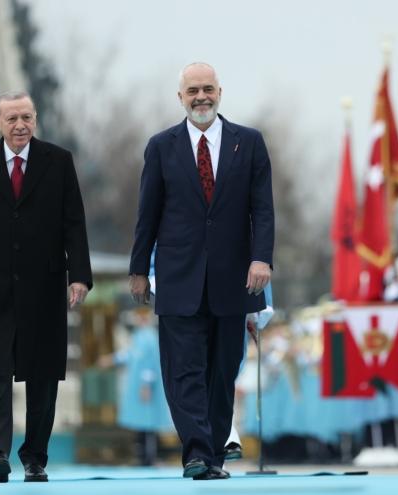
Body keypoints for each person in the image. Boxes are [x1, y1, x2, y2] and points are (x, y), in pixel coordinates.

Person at [129, 62, 274, 480]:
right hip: (178, 278)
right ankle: (195, 452)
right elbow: (147, 212)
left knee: (223, 369)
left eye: (207, 89)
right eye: (192, 91)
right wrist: (139, 268)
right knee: (184, 369)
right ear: (180, 98)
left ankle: (212, 452)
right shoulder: (161, 146)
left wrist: (262, 258)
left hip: (234, 278)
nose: (200, 97)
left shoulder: (248, 143)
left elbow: (262, 209)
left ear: (220, 92)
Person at [0, 91, 92, 483]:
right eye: (11, 118)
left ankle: (35, 457)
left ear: (35, 118)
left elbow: (74, 221)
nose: (20, 125)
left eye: (26, 117)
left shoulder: (58, 161)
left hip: (44, 284)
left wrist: (79, 274)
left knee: (43, 374)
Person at [99, 307, 173, 465]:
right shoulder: (139, 336)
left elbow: (151, 363)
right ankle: (142, 455)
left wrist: (146, 384)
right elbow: (130, 355)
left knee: (148, 423)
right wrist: (111, 360)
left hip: (146, 387)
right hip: (137, 385)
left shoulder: (151, 338)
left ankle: (149, 457)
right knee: (141, 421)